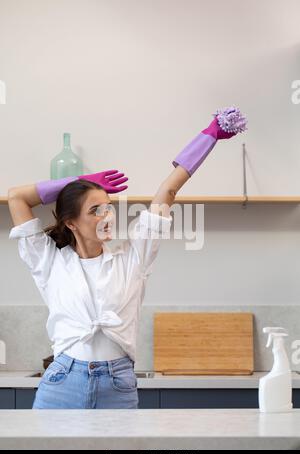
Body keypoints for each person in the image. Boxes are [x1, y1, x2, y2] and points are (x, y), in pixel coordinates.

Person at [7, 107, 247, 409]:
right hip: (61, 386)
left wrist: (210, 135)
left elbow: (168, 190)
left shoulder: (133, 256)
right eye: (96, 210)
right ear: (70, 222)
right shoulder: (48, 261)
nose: (107, 215)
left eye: (108, 207)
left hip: (117, 386)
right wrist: (78, 179)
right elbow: (17, 197)